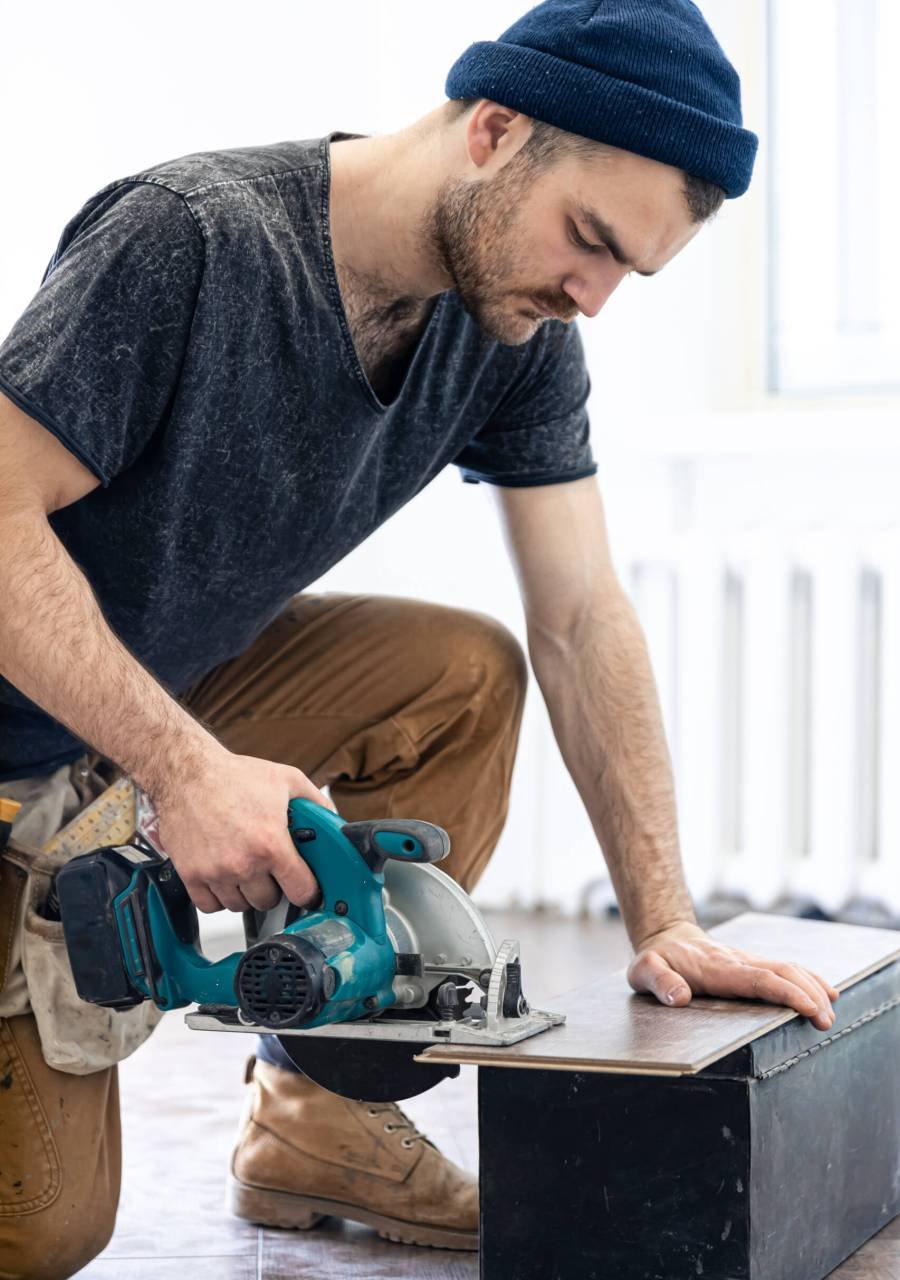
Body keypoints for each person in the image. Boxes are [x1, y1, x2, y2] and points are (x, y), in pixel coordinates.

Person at [0, 0, 839, 1274]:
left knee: (459, 674)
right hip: (24, 719)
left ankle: (321, 1115)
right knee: (43, 1233)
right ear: (494, 130)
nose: (593, 296)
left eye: (631, 274)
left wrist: (664, 918)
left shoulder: (515, 325)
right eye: (592, 241)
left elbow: (579, 611)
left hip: (122, 721)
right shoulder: (194, 239)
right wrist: (184, 770)